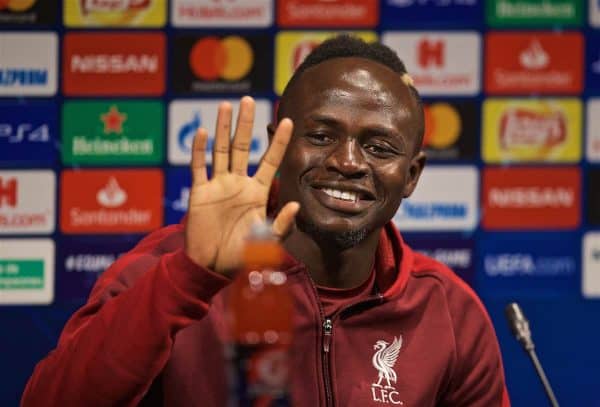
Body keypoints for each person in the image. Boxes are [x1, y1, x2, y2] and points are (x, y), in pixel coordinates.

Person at [22, 35, 510, 406]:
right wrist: (190, 279)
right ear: (279, 145)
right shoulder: (168, 270)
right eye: (320, 136)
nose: (347, 161)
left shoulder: (448, 313)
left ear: (411, 175)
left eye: (378, 147)